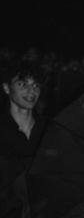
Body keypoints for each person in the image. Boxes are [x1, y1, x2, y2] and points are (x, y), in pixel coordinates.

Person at [0, 62, 48, 218]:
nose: (31, 91)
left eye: (36, 86)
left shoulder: (48, 129)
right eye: (22, 84)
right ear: (7, 88)